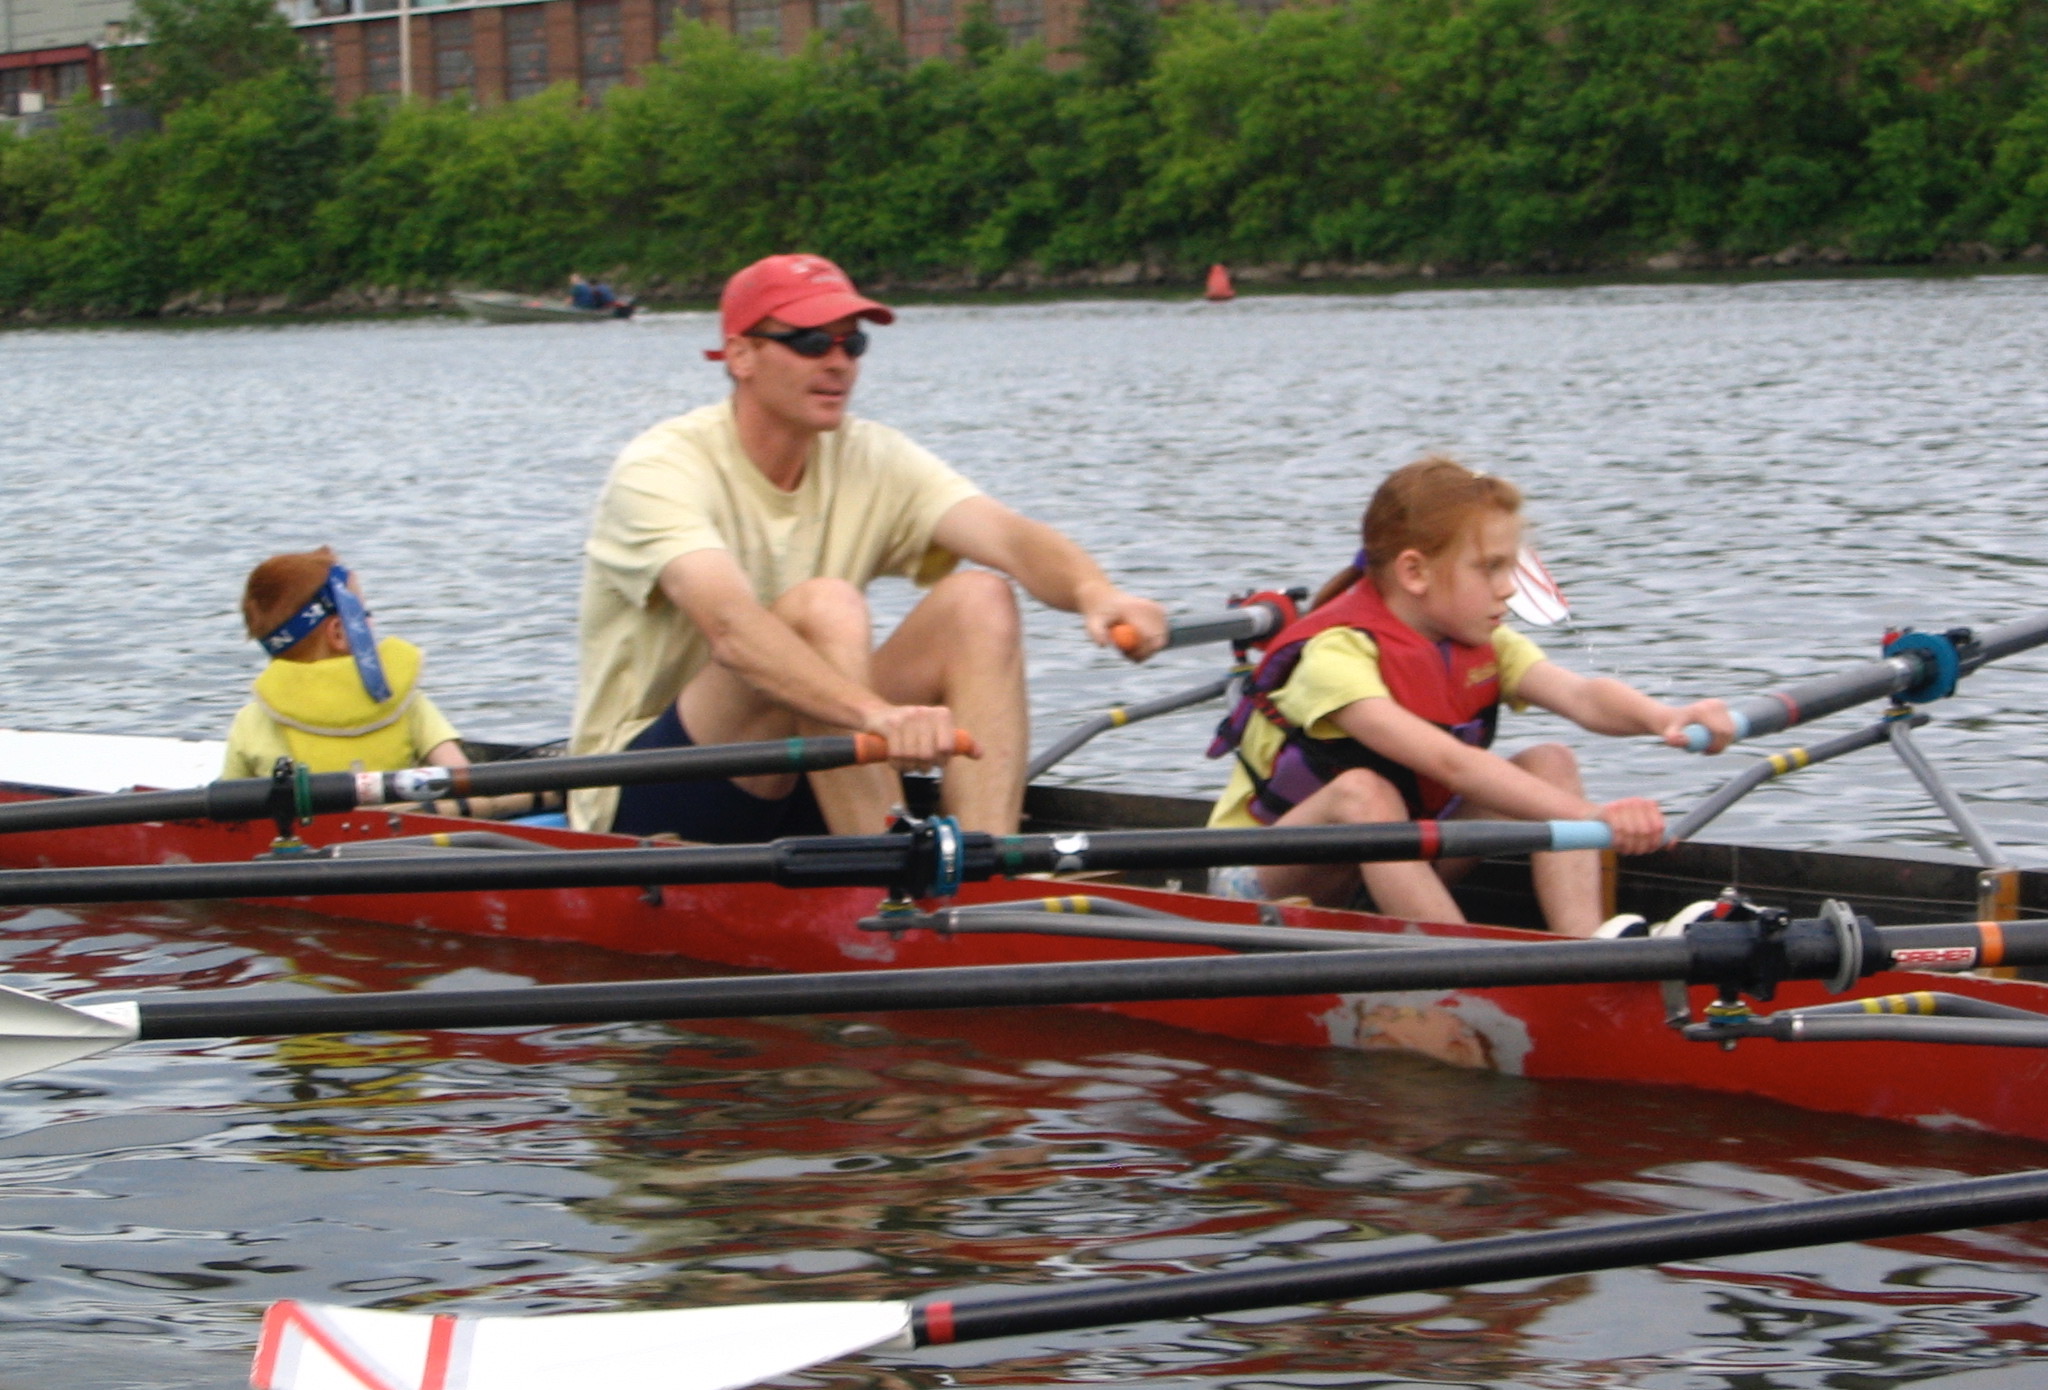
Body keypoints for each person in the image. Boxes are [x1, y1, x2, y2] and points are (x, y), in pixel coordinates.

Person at [570, 253, 1168, 840]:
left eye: (851, 344)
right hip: (647, 792)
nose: (839, 364)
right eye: (811, 342)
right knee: (824, 607)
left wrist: (1096, 592)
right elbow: (731, 628)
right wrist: (872, 716)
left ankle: (983, 873)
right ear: (740, 354)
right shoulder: (660, 469)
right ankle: (895, 883)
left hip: (814, 764)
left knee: (979, 599)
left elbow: (1007, 536)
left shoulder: (871, 456)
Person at [1205, 457, 1735, 936]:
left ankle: (1585, 949)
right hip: (1259, 882)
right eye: (1489, 568)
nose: (1508, 588)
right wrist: (1596, 820)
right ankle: (1463, 970)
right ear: (1415, 571)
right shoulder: (1336, 656)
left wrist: (1667, 716)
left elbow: (1583, 696)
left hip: (1392, 864)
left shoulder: (1484, 641)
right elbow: (1449, 764)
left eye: (1512, 566)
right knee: (1362, 792)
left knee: (1550, 761)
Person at [222, 548, 470, 781]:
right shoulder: (402, 700)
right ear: (339, 633)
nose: (371, 622)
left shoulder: (253, 721)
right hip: (403, 824)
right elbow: (461, 777)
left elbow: (228, 810)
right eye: (363, 614)